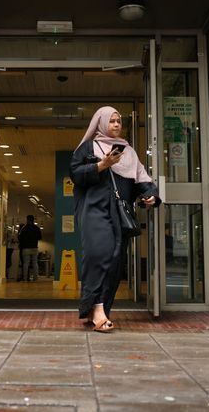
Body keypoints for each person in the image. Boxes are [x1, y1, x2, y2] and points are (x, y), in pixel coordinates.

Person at [70, 106, 160, 332]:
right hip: (93, 209)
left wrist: (151, 197)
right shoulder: (88, 147)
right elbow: (75, 174)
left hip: (119, 211)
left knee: (114, 260)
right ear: (100, 123)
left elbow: (141, 180)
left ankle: (99, 309)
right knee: (98, 254)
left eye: (119, 121)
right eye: (111, 121)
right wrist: (102, 165)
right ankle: (97, 307)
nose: (117, 125)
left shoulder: (128, 152)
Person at [18, 215, 42, 282]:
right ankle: (35, 279)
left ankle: (25, 279)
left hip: (26, 248)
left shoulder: (24, 228)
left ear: (27, 219)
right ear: (33, 220)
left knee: (26, 263)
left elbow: (20, 237)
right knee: (35, 263)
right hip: (34, 247)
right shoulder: (36, 228)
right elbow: (40, 237)